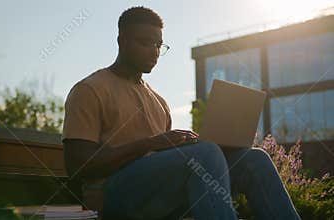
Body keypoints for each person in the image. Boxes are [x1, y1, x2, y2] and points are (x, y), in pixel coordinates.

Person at [62, 6, 301, 220]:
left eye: (158, 45)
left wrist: (201, 145)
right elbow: (78, 165)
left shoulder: (159, 102)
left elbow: (168, 161)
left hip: (159, 194)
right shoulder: (90, 90)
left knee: (253, 159)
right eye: (145, 43)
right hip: (112, 196)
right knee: (204, 154)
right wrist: (151, 144)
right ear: (122, 41)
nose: (154, 51)